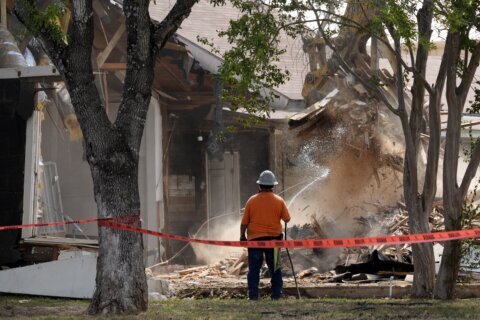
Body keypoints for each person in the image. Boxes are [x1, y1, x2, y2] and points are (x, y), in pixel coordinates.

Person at [240, 170, 291, 300]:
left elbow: (244, 223)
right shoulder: (279, 201)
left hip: (255, 240)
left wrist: (242, 236)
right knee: (275, 268)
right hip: (274, 241)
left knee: (254, 269)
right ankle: (276, 295)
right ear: (273, 185)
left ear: (259, 185)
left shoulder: (251, 201)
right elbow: (287, 219)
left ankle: (253, 296)